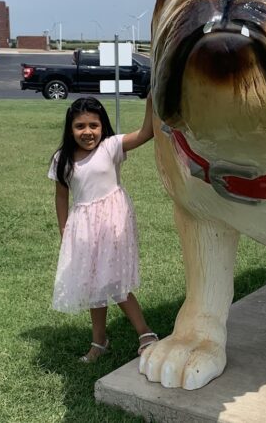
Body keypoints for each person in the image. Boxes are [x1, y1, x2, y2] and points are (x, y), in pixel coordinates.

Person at [48, 96, 158, 363]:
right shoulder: (62, 158)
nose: (88, 132)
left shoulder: (110, 147)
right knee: (93, 284)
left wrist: (151, 101)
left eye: (94, 125)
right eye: (80, 126)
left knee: (112, 281)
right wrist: (65, 230)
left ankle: (146, 333)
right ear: (70, 128)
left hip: (112, 224)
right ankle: (99, 341)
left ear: (102, 126)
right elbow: (61, 197)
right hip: (83, 227)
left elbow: (147, 133)